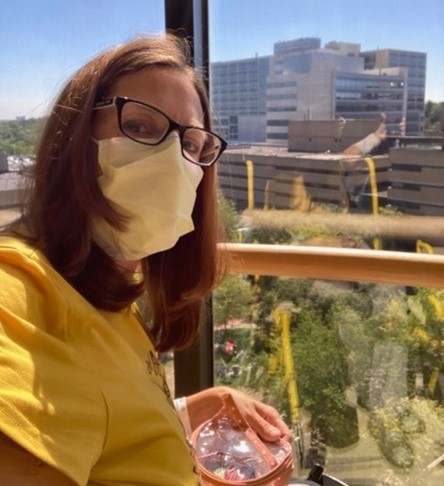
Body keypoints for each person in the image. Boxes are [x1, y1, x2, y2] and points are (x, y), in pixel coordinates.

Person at [0, 34, 292, 485]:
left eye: (194, 146)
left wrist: (191, 409)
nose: (175, 161)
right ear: (75, 136)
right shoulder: (18, 292)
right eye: (139, 126)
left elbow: (100, 427)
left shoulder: (103, 289)